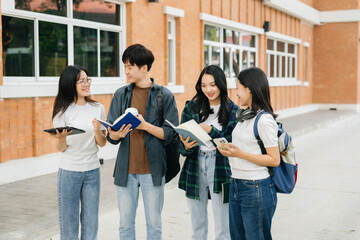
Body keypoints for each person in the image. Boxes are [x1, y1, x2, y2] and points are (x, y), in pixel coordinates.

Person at [106, 44, 179, 240]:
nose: (126, 71)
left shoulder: (165, 96)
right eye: (125, 66)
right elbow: (110, 135)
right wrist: (116, 135)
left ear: (144, 68)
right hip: (125, 171)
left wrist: (145, 126)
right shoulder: (121, 94)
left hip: (153, 171)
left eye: (130, 67)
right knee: (125, 225)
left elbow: (171, 134)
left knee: (154, 225)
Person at [217, 67, 280, 240]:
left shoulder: (264, 120)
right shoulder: (245, 116)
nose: (236, 93)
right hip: (236, 184)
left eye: (238, 87)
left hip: (255, 188)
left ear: (249, 89)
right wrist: (230, 151)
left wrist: (240, 154)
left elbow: (274, 160)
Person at [178, 65, 239, 240]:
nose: (208, 90)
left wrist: (209, 130)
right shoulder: (192, 107)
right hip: (195, 165)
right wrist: (186, 147)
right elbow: (181, 145)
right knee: (197, 225)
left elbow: (229, 144)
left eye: (212, 85)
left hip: (221, 167)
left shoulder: (232, 110)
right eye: (204, 85)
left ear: (221, 84)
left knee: (223, 225)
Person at [48, 65, 107, 239]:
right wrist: (61, 138)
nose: (86, 84)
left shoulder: (98, 107)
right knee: (69, 223)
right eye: (81, 81)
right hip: (69, 172)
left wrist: (97, 130)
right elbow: (62, 149)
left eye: (87, 79)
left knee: (91, 222)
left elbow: (102, 143)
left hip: (92, 171)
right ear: (69, 84)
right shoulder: (62, 111)